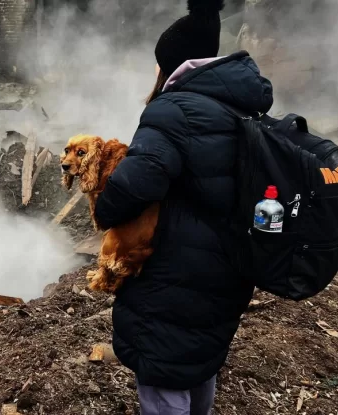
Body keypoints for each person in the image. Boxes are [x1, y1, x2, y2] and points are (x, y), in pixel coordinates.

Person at [93, 1, 274, 414]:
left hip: (175, 274)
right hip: (228, 267)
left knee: (164, 374)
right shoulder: (243, 104)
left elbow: (133, 186)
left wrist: (104, 206)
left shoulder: (173, 111)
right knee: (197, 358)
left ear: (171, 64)